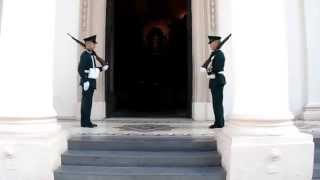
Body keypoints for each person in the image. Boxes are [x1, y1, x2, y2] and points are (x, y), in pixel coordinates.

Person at [78, 35, 109, 128]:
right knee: (86, 103)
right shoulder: (84, 55)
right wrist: (85, 80)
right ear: (87, 44)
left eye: (94, 44)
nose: (94, 45)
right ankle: (85, 123)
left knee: (88, 103)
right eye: (92, 44)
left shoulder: (91, 55)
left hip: (91, 81)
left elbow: (92, 69)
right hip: (87, 81)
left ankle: (87, 121)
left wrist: (102, 68)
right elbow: (80, 69)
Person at [202, 36, 226, 129]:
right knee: (217, 103)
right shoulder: (215, 54)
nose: (210, 45)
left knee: (217, 103)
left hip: (217, 79)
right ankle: (219, 122)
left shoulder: (219, 55)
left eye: (212, 43)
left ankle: (219, 123)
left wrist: (208, 70)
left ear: (216, 43)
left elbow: (217, 68)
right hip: (215, 80)